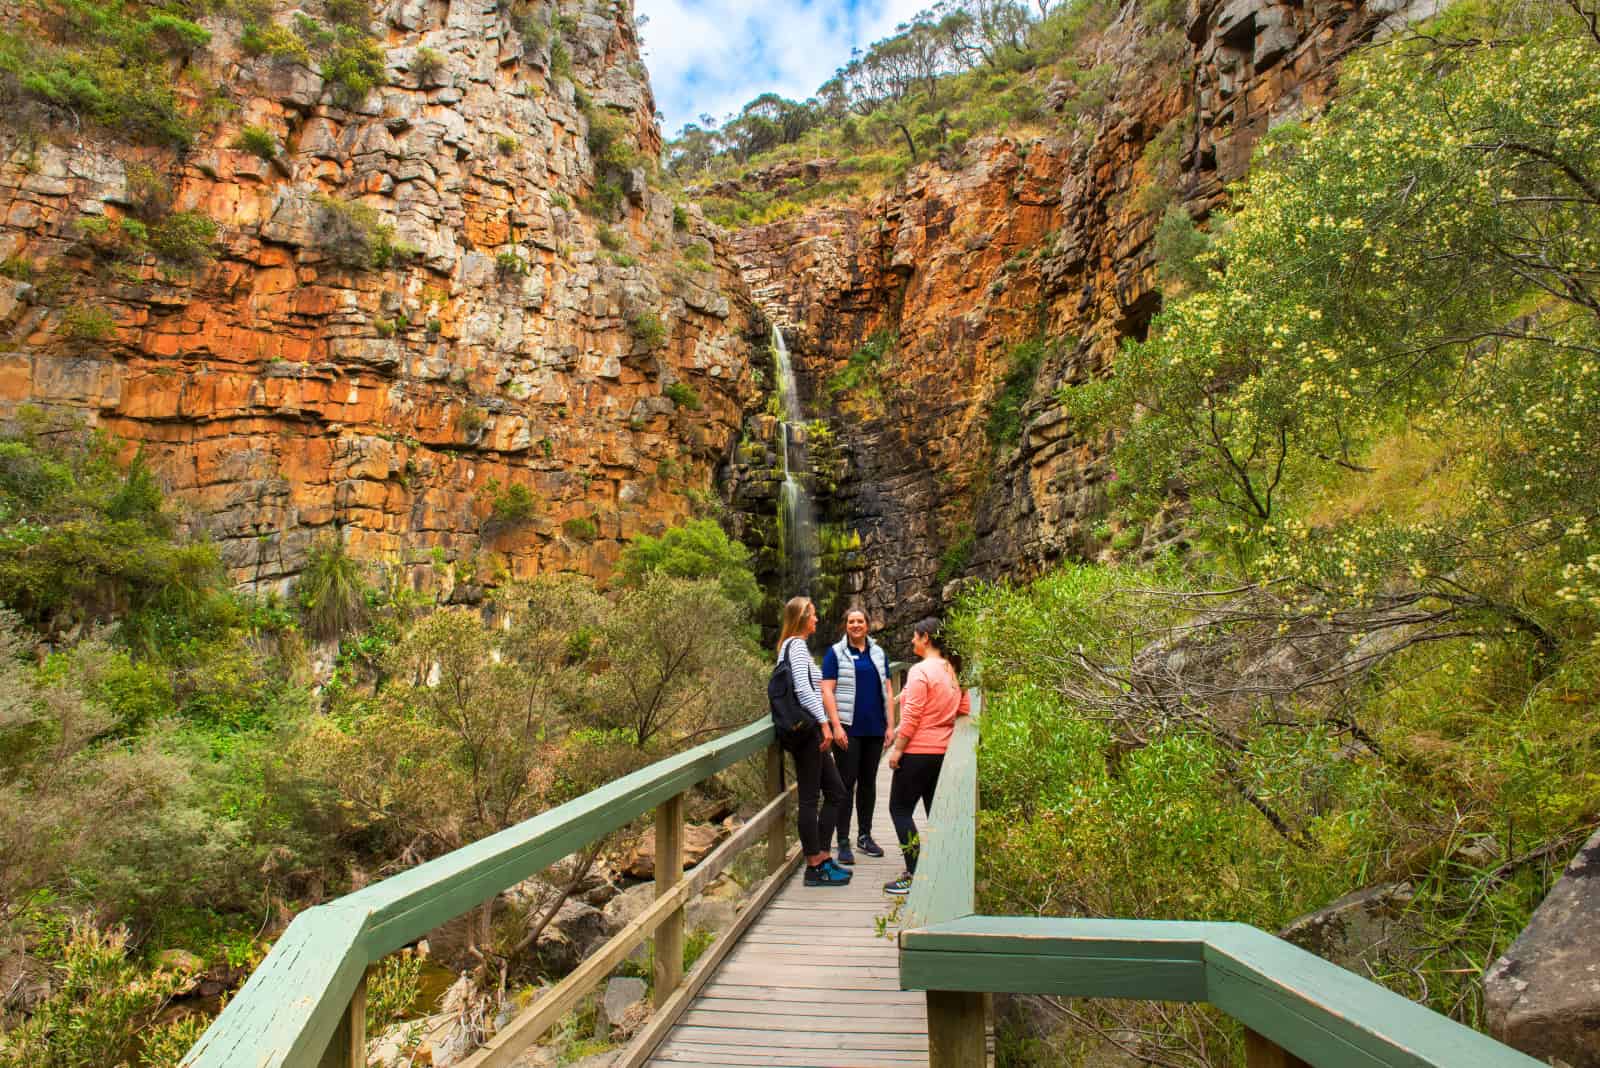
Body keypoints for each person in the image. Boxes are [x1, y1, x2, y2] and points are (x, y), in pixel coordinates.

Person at [883, 616, 970, 896]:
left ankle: (914, 872)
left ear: (926, 638)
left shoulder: (921, 672)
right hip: (943, 752)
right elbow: (964, 707)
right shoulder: (953, 669)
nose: (911, 641)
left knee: (899, 810)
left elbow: (912, 716)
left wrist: (897, 750)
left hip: (918, 751)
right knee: (936, 813)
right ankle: (943, 872)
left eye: (915, 636)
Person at [775, 596, 852, 887]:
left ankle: (822, 856)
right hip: (807, 732)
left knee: (836, 791)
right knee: (810, 798)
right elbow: (804, 691)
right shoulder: (794, 645)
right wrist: (825, 724)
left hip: (810, 731)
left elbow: (816, 682)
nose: (817, 620)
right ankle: (814, 866)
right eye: (814, 615)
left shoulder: (796, 648)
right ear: (803, 618)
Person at [821, 606, 894, 866]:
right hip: (849, 731)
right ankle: (842, 841)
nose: (856, 625)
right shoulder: (835, 653)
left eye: (860, 621)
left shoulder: (877, 653)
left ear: (867, 624)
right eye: (851, 621)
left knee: (868, 782)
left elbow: (887, 687)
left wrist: (890, 725)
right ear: (846, 625)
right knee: (845, 785)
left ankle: (865, 835)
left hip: (874, 728)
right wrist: (836, 726)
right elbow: (827, 691)